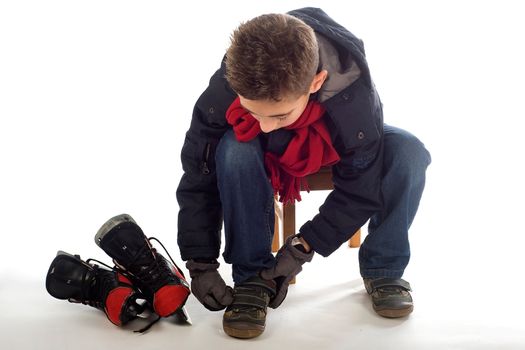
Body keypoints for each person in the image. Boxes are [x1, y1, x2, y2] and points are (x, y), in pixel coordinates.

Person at [176, 7, 431, 339]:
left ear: (317, 82)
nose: (263, 124)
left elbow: (359, 188)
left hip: (333, 138)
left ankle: (384, 268)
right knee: (235, 147)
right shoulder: (228, 83)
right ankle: (253, 278)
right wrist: (200, 263)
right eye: (253, 111)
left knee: (409, 151)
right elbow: (200, 173)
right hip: (268, 152)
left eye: (279, 114)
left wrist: (302, 247)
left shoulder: (354, 93)